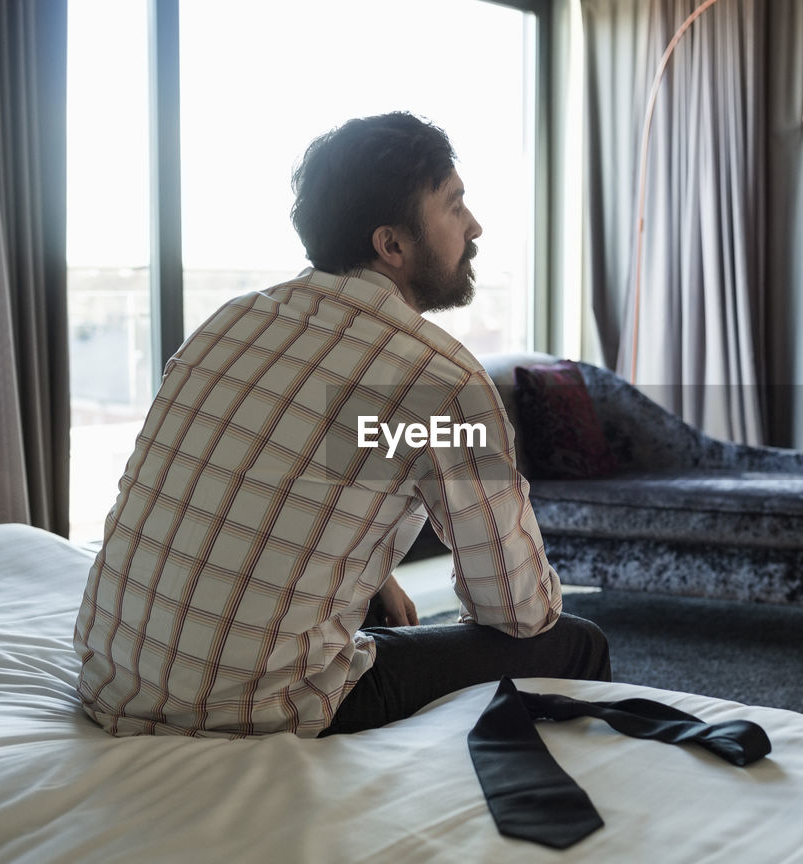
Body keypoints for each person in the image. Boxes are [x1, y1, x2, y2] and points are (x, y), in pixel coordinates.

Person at [73, 112, 610, 738]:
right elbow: (518, 610)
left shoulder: (229, 323)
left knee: (379, 614)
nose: (475, 226)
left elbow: (276, 468)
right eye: (456, 205)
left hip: (111, 679)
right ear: (392, 245)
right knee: (574, 643)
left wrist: (375, 576)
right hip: (258, 711)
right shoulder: (438, 379)